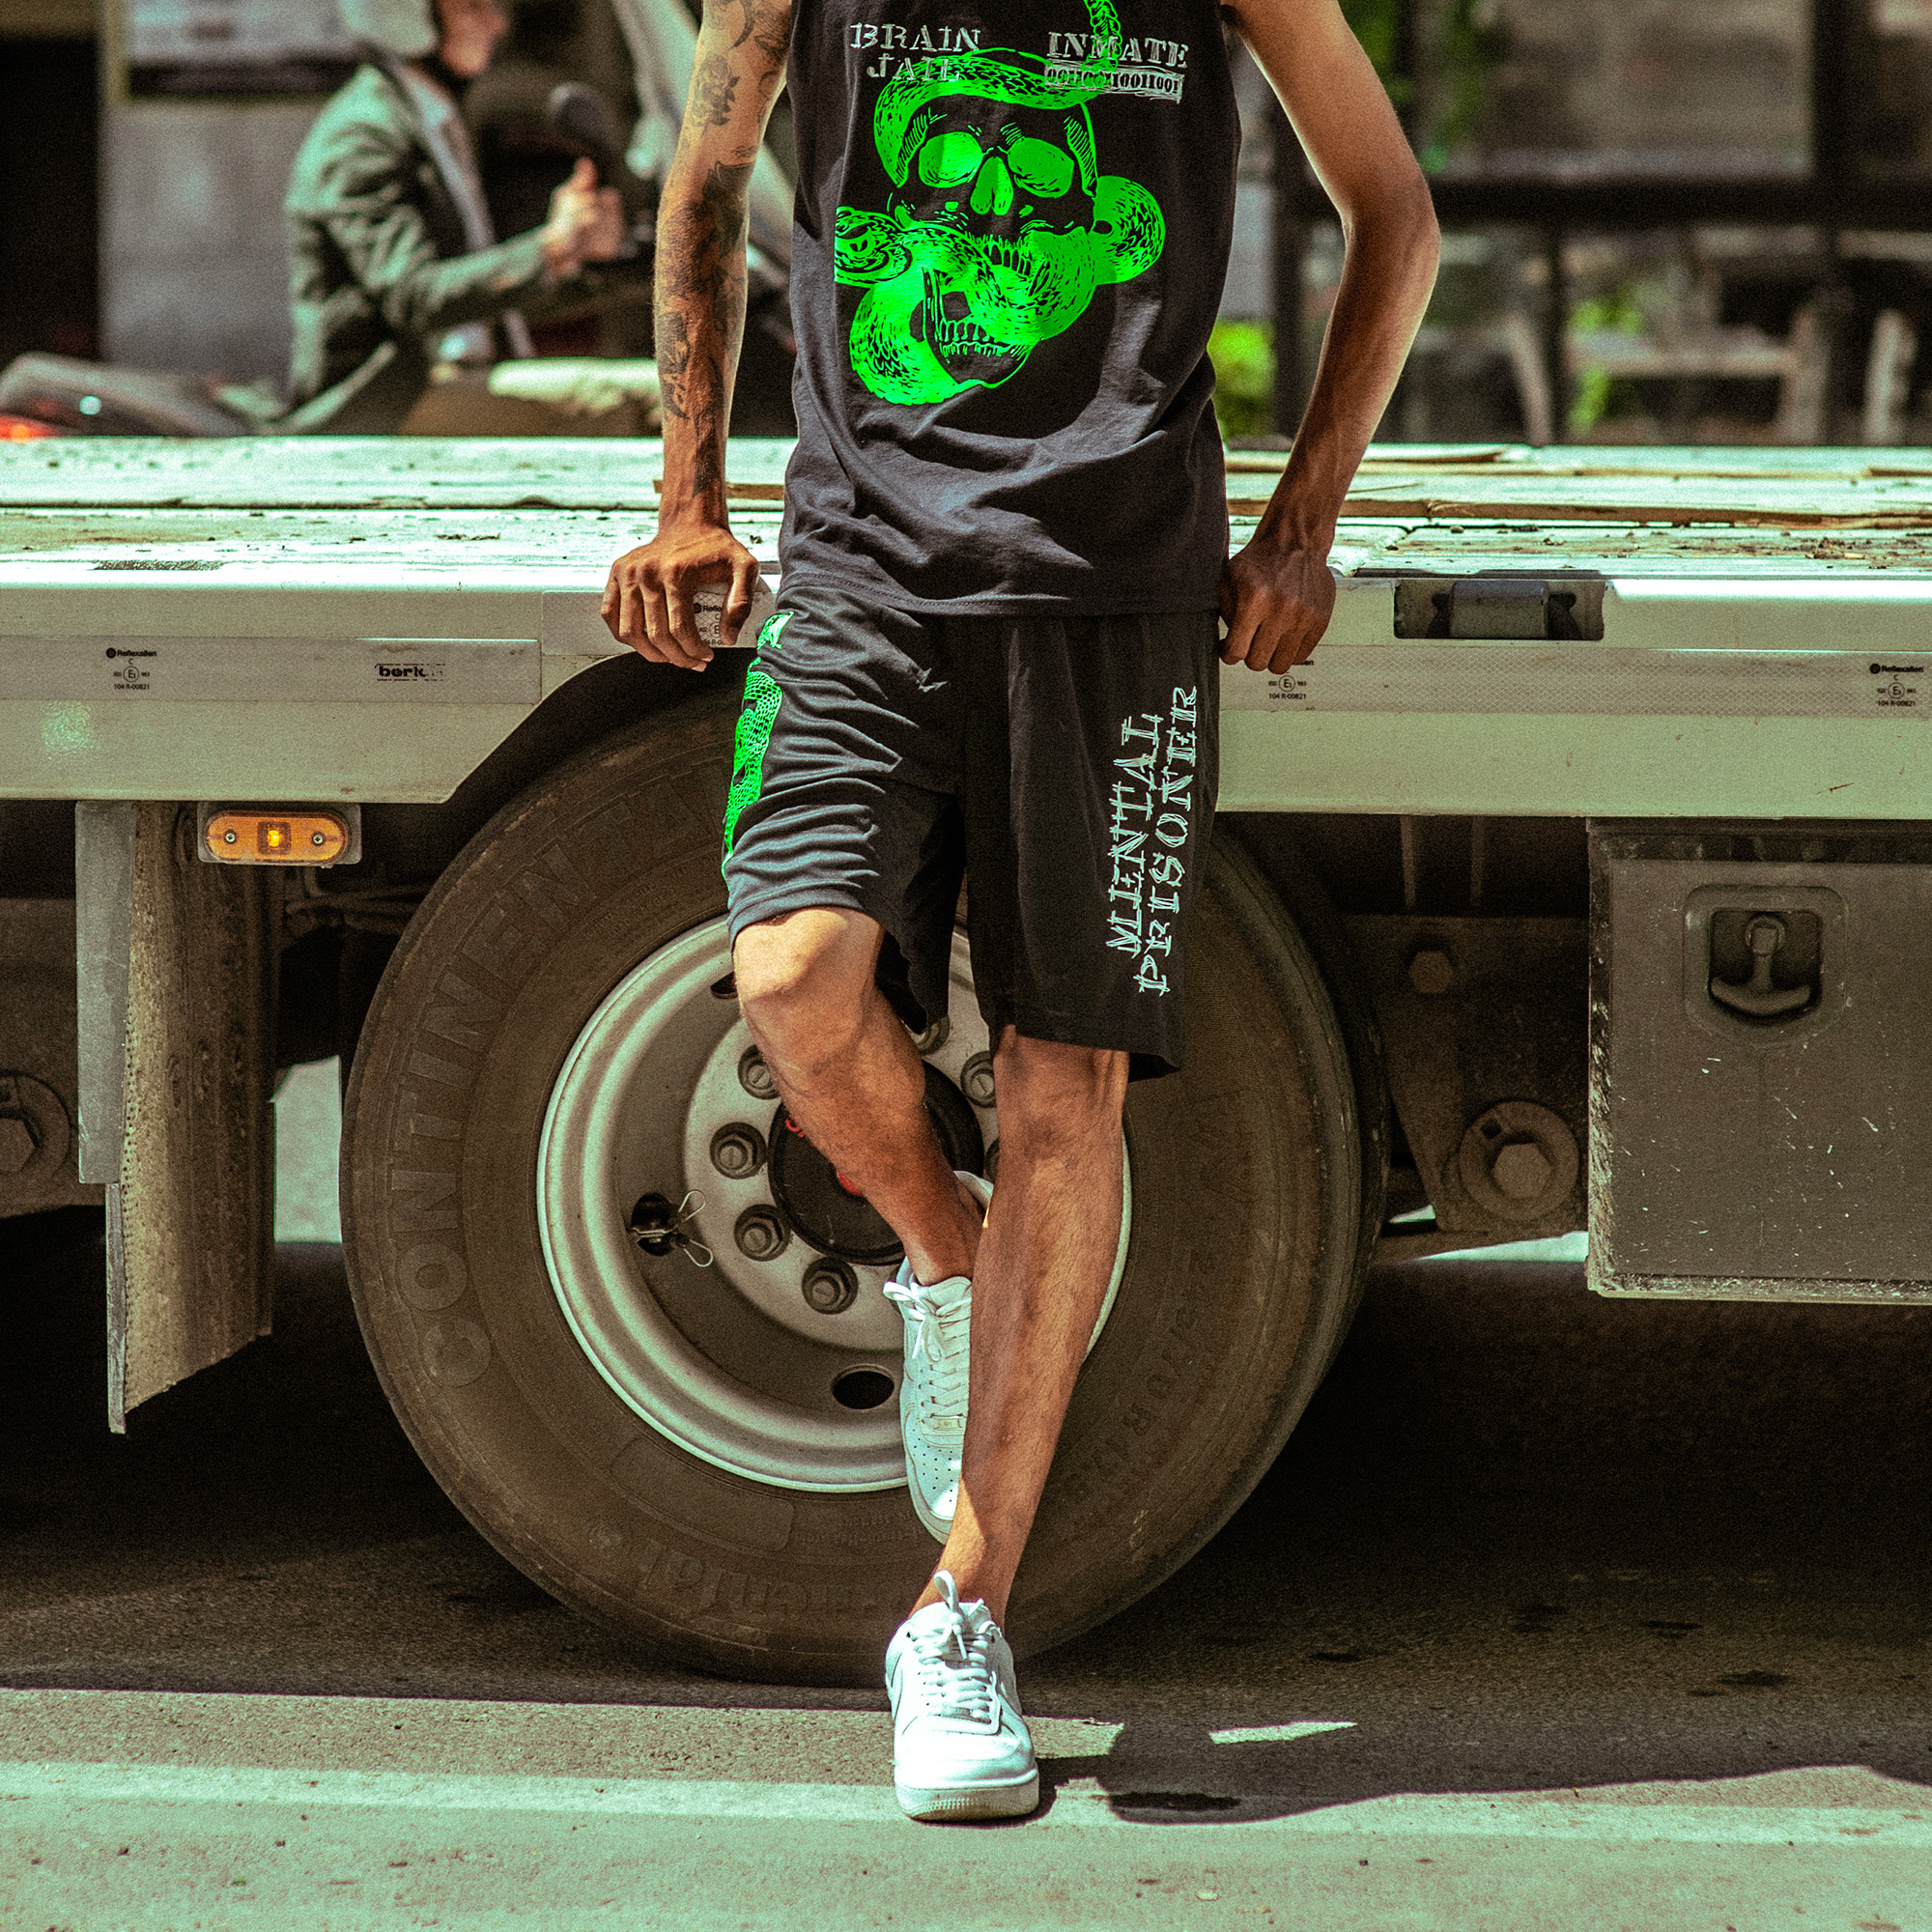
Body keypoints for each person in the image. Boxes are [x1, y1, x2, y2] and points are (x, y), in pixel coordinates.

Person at [602, 0, 1437, 1822]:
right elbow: (709, 172)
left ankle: (961, 1617)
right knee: (792, 978)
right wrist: (687, 497)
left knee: (1069, 1087)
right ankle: (947, 1256)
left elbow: (1393, 206)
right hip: (862, 572)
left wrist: (1304, 521)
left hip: (1118, 594)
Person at [283, 0, 631, 433]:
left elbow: (483, 290)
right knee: (639, 405)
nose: (496, 23)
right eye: (471, 5)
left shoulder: (426, 116)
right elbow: (412, 295)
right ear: (404, 15)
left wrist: (583, 255)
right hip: (387, 400)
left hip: (440, 380)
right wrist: (551, 248)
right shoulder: (364, 134)